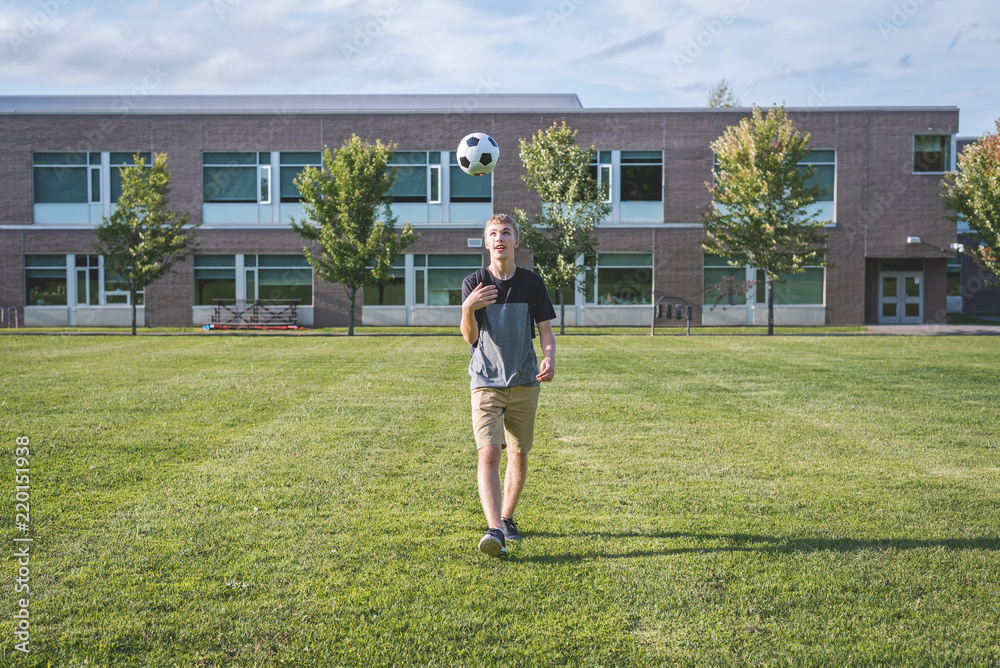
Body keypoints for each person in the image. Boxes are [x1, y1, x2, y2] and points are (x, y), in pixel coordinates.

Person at [461, 213, 556, 558]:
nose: (499, 238)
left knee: (518, 452)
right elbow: (470, 338)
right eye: (493, 234)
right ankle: (495, 530)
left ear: (516, 241)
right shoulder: (474, 282)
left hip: (525, 381)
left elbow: (546, 331)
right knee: (489, 451)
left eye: (506, 233)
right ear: (486, 243)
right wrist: (468, 308)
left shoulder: (532, 283)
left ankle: (507, 518)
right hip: (486, 381)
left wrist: (549, 358)